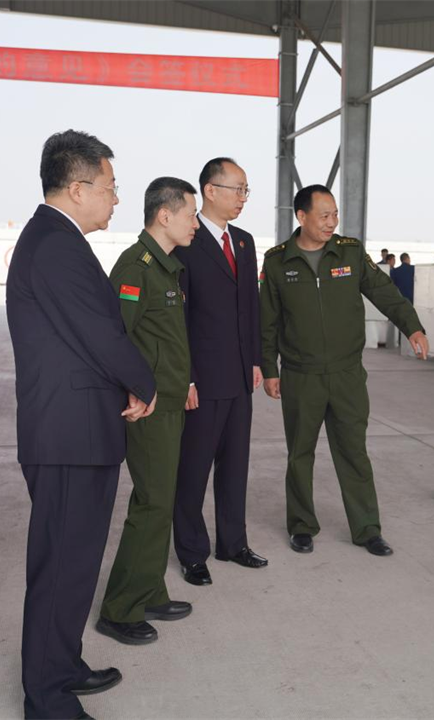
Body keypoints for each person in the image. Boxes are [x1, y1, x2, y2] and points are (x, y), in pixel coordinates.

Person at [6, 130, 157, 720]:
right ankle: (46, 699)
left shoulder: (58, 240)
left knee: (74, 563)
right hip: (68, 434)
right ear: (77, 188)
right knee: (61, 565)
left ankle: (62, 664)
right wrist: (144, 382)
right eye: (110, 187)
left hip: (80, 429)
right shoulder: (55, 245)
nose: (116, 198)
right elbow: (101, 334)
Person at [260, 184, 429, 557]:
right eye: (324, 215)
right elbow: (267, 321)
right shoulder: (277, 262)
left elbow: (384, 292)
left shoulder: (350, 252)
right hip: (300, 375)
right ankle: (301, 526)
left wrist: (412, 326)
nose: (331, 222)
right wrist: (269, 368)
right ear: (301, 216)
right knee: (299, 455)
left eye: (335, 214)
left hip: (347, 374)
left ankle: (367, 529)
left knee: (354, 452)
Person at [96, 177, 199, 646]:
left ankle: (150, 590)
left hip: (170, 401)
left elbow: (165, 339)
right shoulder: (135, 268)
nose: (195, 224)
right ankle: (120, 609)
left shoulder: (165, 267)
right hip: (149, 408)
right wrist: (136, 390)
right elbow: (116, 339)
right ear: (164, 215)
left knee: (162, 500)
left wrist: (185, 382)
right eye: (190, 215)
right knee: (152, 503)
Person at [173, 158, 267, 587]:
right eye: (237, 189)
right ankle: (193, 553)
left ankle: (233, 543)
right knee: (193, 470)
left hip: (239, 377)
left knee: (235, 467)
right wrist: (187, 377)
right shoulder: (187, 242)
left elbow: (251, 308)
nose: (243, 198)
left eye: (246, 190)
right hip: (203, 380)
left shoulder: (244, 242)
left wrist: (256, 361)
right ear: (210, 191)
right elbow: (180, 318)